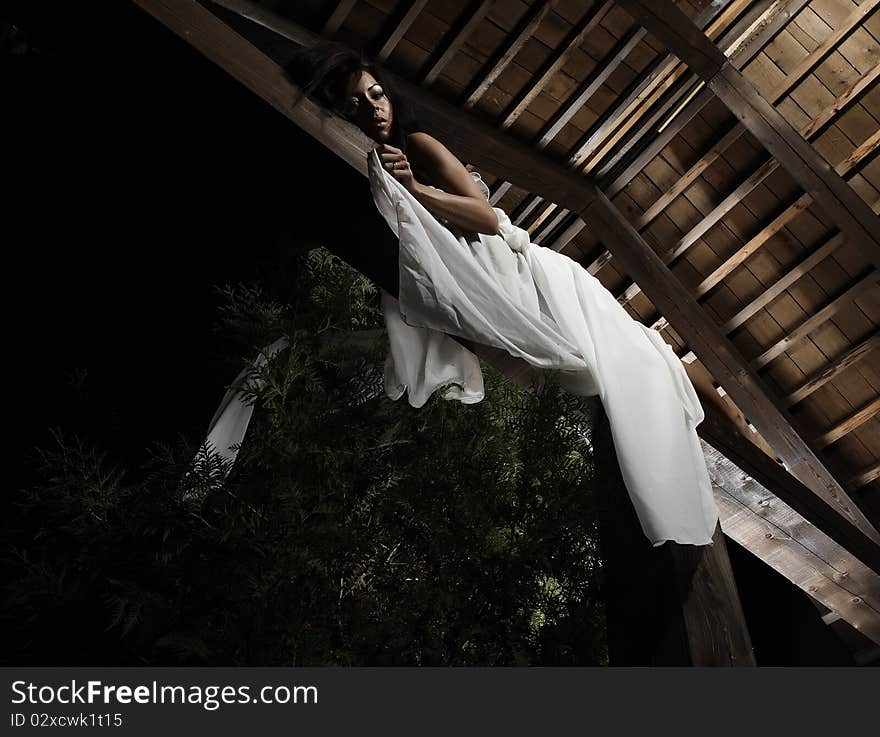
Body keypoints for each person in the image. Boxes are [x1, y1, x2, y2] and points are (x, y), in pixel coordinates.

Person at [200, 42, 721, 548]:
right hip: (465, 282)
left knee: (629, 369)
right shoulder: (357, 164)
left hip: (525, 270)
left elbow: (488, 218)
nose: (372, 108)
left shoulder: (416, 145)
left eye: (377, 94)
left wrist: (418, 191)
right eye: (356, 102)